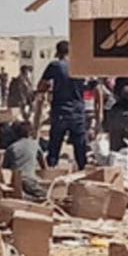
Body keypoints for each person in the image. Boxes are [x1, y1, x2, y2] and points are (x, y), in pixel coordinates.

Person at [37, 40, 90, 168]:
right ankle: (82, 176)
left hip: (60, 111)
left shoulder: (55, 66)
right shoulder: (80, 66)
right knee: (80, 149)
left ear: (58, 53)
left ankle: (50, 175)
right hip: (78, 112)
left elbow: (41, 85)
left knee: (54, 147)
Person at [0, 121, 47, 199]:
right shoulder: (34, 144)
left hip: (15, 181)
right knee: (46, 195)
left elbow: (5, 169)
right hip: (30, 180)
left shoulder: (11, 148)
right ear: (29, 133)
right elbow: (43, 165)